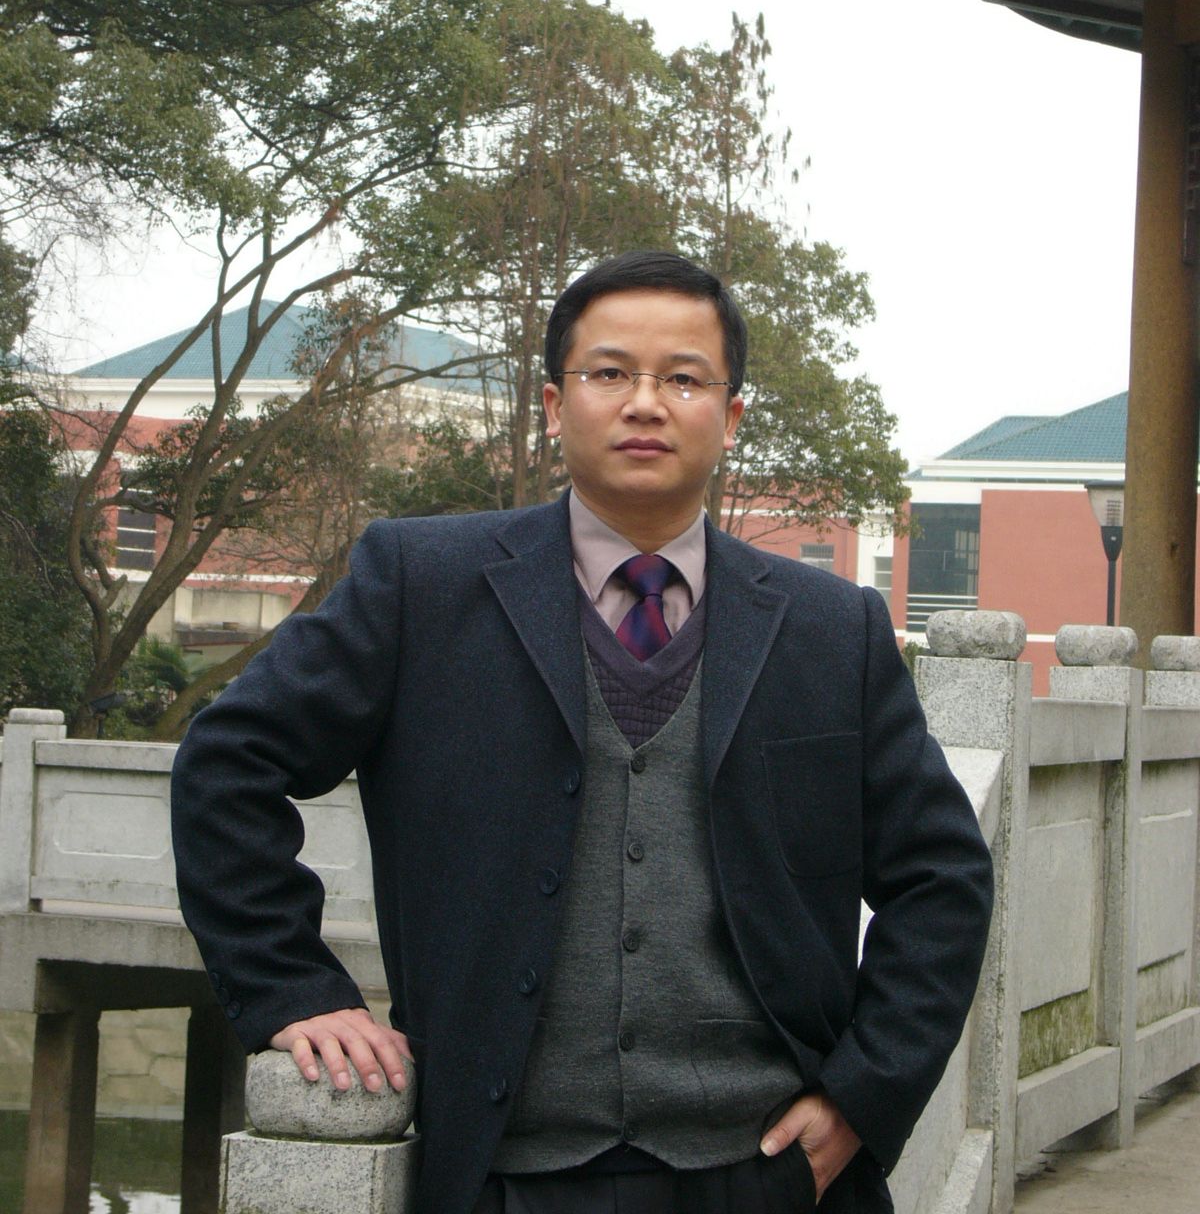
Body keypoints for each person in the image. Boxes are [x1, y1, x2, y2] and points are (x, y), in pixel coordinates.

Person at [171, 250, 993, 1214]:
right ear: (556, 407)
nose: (645, 403)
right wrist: (293, 988)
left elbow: (942, 878)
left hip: (768, 1173)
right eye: (610, 373)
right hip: (503, 1174)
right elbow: (227, 764)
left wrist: (863, 1094)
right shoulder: (422, 587)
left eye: (682, 379)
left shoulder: (830, 629)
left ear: (729, 418)